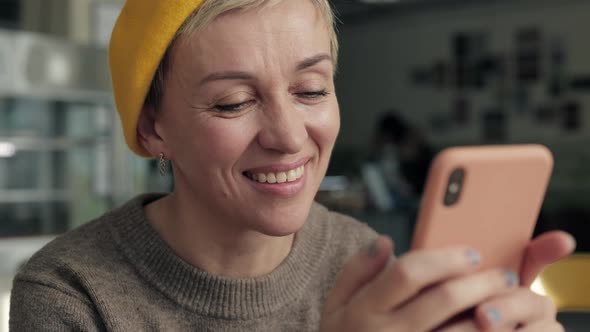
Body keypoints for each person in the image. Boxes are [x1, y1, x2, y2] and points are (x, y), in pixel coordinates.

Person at [9, 0, 575, 331]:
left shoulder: (363, 258)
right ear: (153, 127)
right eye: (233, 102)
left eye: (310, 89)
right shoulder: (71, 294)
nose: (288, 137)